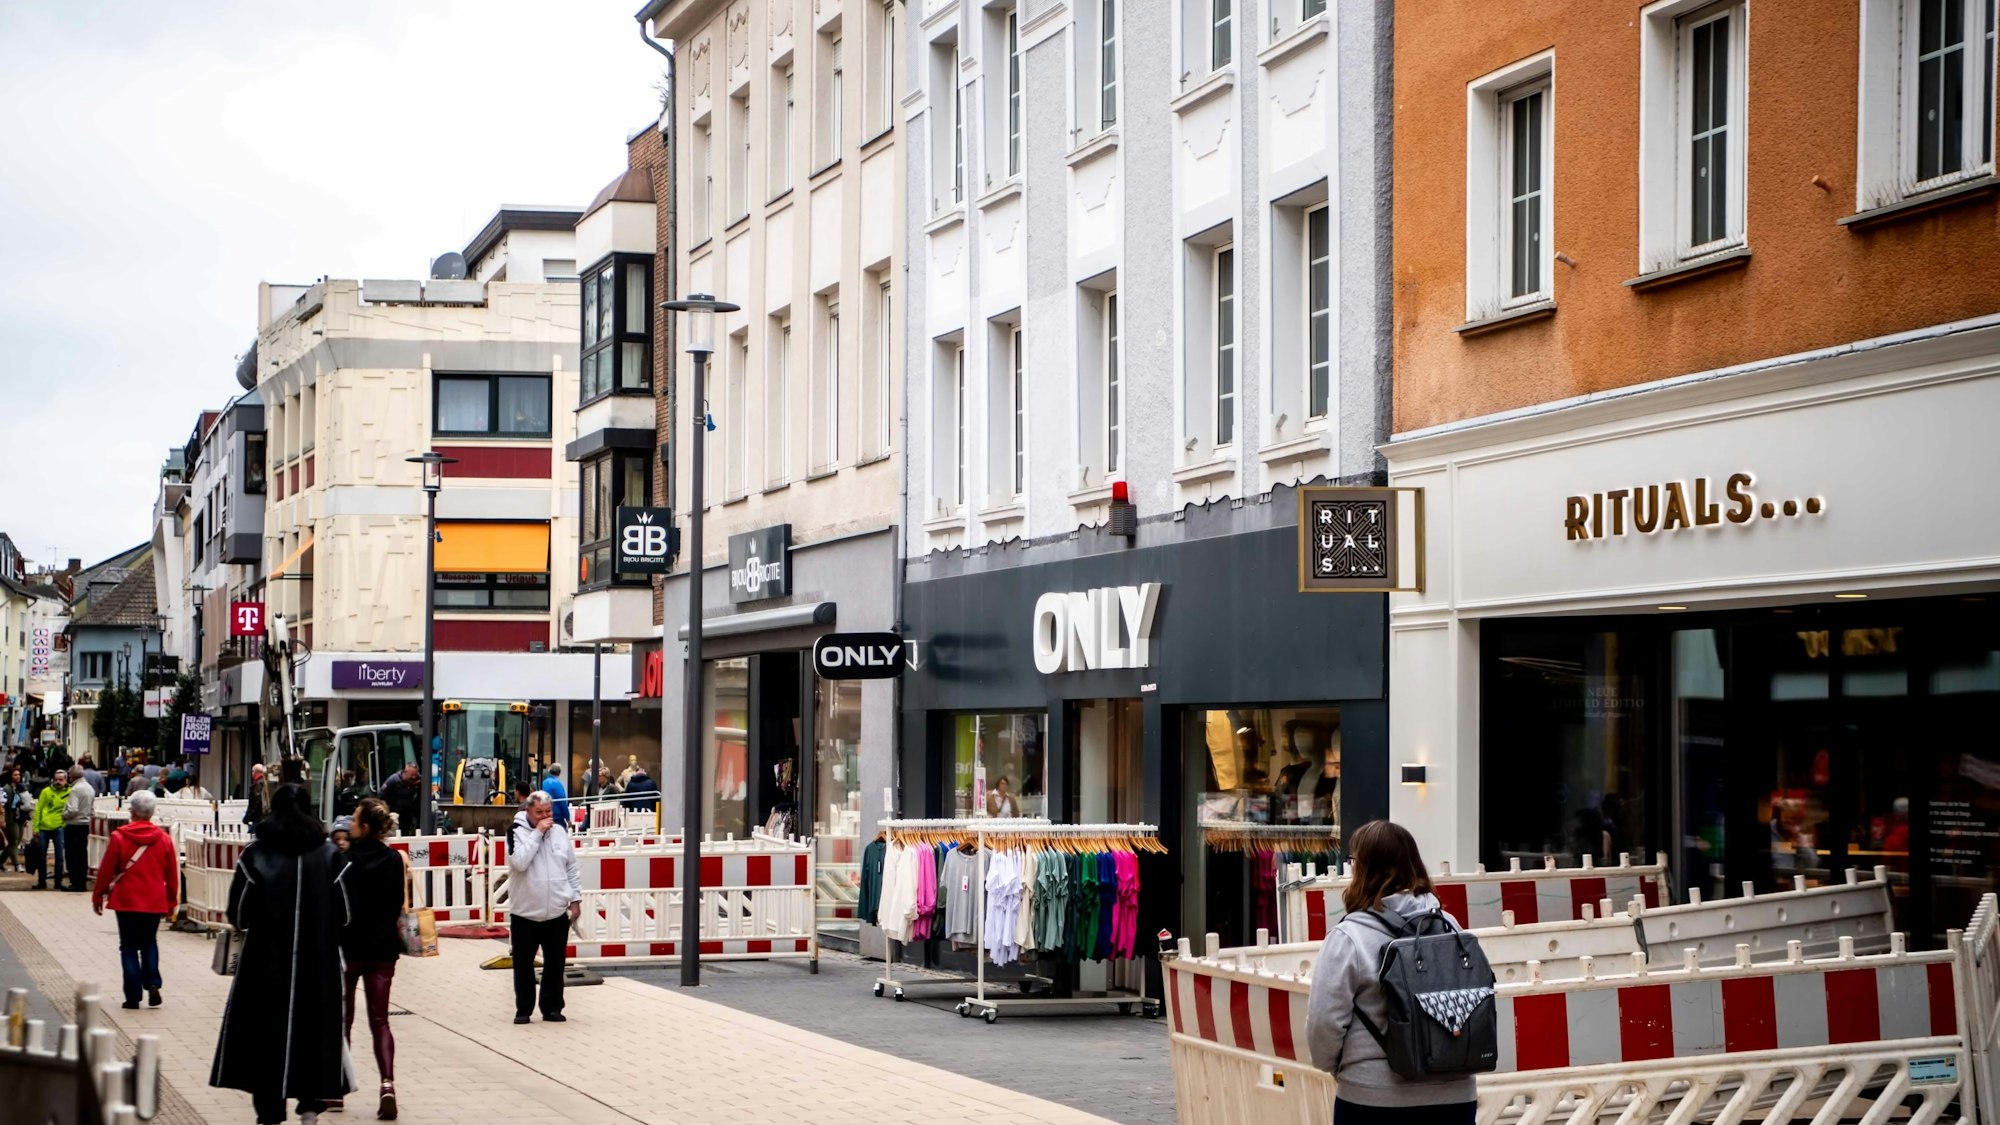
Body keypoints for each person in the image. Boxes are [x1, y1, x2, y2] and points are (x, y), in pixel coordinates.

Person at [1307, 820, 1477, 1124]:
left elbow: (1324, 1022)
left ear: (1364, 869)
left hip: (1373, 1097)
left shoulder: (1349, 937)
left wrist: (1342, 1068)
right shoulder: (1450, 926)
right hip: (1454, 1093)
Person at [209, 784, 351, 1124]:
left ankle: (270, 1114)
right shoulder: (330, 855)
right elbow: (345, 913)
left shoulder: (255, 854)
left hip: (264, 963)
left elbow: (238, 914)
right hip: (317, 963)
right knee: (314, 1031)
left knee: (264, 1037)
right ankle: (310, 1105)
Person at [335, 797, 404, 1120]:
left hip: (349, 949)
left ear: (364, 827)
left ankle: (337, 1087)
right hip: (383, 950)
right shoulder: (394, 860)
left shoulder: (345, 861)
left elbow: (338, 907)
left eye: (354, 819)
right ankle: (387, 1084)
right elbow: (396, 905)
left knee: (343, 1019)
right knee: (380, 1021)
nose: (350, 823)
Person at [91, 790, 179, 1010]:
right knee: (149, 942)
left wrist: (98, 894)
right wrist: (171, 902)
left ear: (132, 812)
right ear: (151, 813)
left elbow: (106, 869)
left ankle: (132, 997)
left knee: (128, 947)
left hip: (126, 899)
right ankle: (152, 982)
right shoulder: (164, 839)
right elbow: (172, 874)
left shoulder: (119, 837)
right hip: (154, 900)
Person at [506, 791, 581, 1024]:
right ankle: (524, 1009)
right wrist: (537, 834)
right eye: (539, 812)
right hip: (525, 912)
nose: (545, 817)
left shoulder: (559, 833)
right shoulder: (515, 832)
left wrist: (575, 898)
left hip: (556, 910)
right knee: (523, 963)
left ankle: (552, 1007)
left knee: (555, 962)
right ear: (528, 811)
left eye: (548, 812)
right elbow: (519, 862)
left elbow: (571, 867)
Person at [32, 769, 72, 890]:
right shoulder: (46, 792)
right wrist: (36, 827)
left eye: (61, 779)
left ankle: (58, 882)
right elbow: (38, 809)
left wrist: (65, 824)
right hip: (44, 827)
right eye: (56, 779)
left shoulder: (70, 792)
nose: (58, 782)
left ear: (66, 780)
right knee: (41, 856)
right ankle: (41, 881)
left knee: (59, 856)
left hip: (60, 827)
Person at [63, 769, 95, 891]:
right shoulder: (90, 788)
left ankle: (75, 882)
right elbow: (92, 809)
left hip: (74, 824)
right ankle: (82, 882)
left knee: (72, 855)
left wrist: (64, 815)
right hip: (85, 824)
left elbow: (73, 809)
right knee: (82, 854)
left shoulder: (75, 789)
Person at [378, 764, 421, 834]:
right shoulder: (393, 780)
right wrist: (385, 811)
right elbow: (381, 796)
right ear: (405, 772)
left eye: (416, 774)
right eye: (412, 775)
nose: (414, 777)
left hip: (407, 811)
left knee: (405, 831)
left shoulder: (419, 780)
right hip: (394, 810)